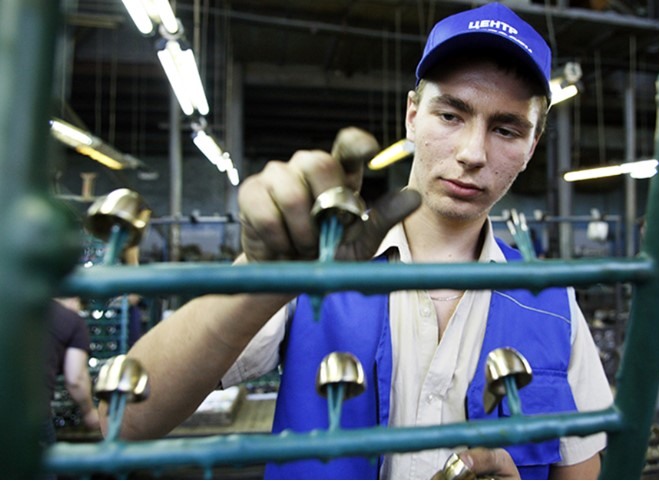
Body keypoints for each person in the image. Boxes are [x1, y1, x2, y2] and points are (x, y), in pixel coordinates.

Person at [103, 3, 612, 479]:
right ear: (412, 115)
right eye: (451, 115)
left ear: (532, 146)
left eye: (506, 129)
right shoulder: (317, 271)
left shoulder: (554, 305)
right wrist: (262, 279)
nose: (472, 152)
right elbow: (122, 419)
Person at [43, 298, 100, 445]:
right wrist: (89, 412)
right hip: (28, 412)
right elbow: (76, 379)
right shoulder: (72, 320)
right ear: (75, 300)